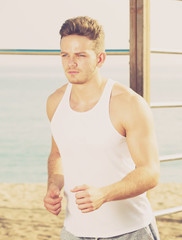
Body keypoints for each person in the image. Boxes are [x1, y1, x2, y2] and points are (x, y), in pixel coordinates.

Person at [43, 16, 160, 240]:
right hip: (73, 232)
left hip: (130, 232)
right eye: (65, 55)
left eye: (80, 55)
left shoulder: (129, 104)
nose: (70, 63)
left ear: (100, 58)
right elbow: (58, 154)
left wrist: (104, 194)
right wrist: (53, 186)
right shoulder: (54, 102)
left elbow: (150, 172)